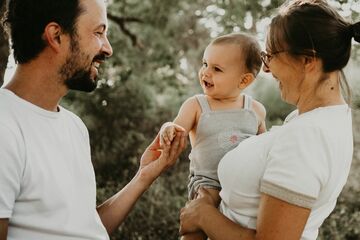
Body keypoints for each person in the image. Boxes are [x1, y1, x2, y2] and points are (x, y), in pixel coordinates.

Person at [0, 0, 186, 239]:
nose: (108, 49)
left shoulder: (74, 126)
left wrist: (144, 176)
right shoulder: (5, 125)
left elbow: (86, 228)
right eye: (98, 33)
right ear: (56, 36)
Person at [179, 0, 360, 239]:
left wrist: (203, 215)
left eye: (270, 55)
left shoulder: (307, 136)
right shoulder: (322, 119)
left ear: (307, 60)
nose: (265, 69)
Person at [160, 33, 266, 239]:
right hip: (209, 184)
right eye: (205, 64)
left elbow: (262, 149)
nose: (205, 72)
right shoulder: (197, 105)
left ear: (244, 80)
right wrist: (168, 127)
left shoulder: (256, 110)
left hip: (243, 184)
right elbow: (177, 128)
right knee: (197, 222)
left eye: (216, 69)